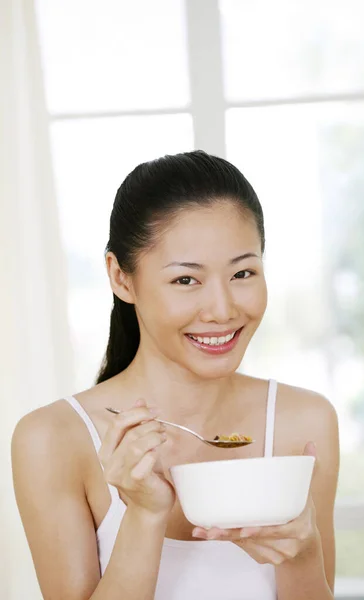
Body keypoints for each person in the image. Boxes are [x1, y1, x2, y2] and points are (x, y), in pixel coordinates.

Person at [12, 150, 339, 600]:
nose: (223, 310)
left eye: (243, 272)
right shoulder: (53, 439)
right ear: (121, 278)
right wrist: (144, 515)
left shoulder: (304, 422)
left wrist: (303, 555)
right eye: (186, 280)